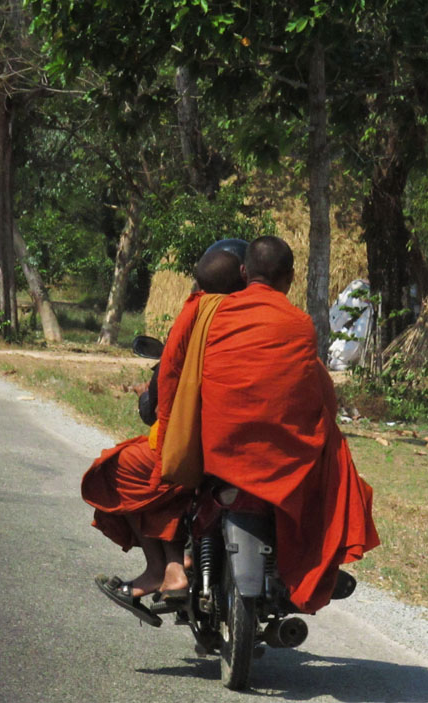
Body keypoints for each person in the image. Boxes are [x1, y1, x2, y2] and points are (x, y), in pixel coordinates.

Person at [154, 235, 379, 614]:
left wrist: (166, 426)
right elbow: (319, 395)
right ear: (290, 278)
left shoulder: (209, 312)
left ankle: (173, 565)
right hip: (278, 459)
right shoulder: (300, 323)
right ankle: (318, 561)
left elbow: (171, 375)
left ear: (244, 272)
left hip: (213, 448)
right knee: (336, 463)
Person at [82, 247, 246, 617]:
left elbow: (161, 397)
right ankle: (177, 565)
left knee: (122, 470)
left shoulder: (197, 315)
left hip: (200, 452)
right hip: (256, 450)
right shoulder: (270, 319)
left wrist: (149, 397)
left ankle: (164, 570)